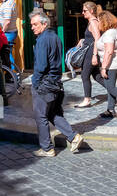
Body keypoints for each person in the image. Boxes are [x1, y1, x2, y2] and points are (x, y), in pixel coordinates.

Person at [27, 11, 85, 157]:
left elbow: (41, 66)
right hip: (56, 82)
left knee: (41, 116)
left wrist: (35, 82)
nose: (32, 27)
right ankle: (73, 137)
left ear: (44, 24)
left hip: (45, 84)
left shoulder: (42, 40)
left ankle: (47, 148)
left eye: (35, 24)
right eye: (31, 25)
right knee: (52, 113)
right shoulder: (55, 37)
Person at [90, 9, 117, 117]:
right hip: (113, 63)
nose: (98, 23)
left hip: (111, 64)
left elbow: (109, 51)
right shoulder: (115, 30)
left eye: (99, 20)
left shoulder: (109, 34)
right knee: (110, 86)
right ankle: (110, 109)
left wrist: (103, 68)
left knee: (111, 87)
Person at [0, 0, 19, 70]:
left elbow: (7, 21)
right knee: (7, 53)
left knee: (7, 53)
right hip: (10, 32)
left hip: (8, 33)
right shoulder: (11, 2)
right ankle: (11, 73)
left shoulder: (8, 5)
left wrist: (2, 32)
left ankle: (12, 73)